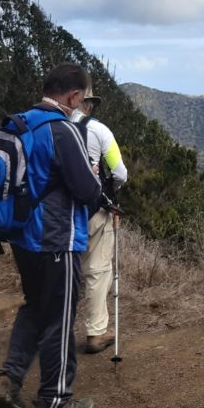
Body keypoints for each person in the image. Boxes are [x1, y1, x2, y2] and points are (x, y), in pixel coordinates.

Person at [0, 64, 103, 408]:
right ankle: (54, 401)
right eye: (82, 99)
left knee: (36, 306)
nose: (81, 105)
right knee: (60, 318)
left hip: (23, 238)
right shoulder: (63, 130)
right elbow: (87, 190)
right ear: (73, 96)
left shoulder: (20, 124)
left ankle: (10, 378)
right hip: (57, 238)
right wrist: (99, 189)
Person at [73, 89, 128, 354]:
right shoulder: (100, 131)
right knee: (97, 269)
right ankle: (96, 332)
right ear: (86, 104)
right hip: (94, 209)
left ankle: (50, 330)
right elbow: (120, 172)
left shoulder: (50, 128)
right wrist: (110, 189)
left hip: (55, 212)